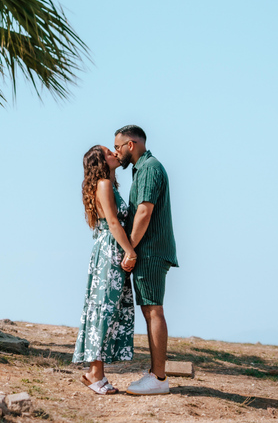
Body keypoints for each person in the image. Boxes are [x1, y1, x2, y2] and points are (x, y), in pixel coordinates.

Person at [113, 125, 178, 396]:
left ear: (131, 144)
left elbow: (144, 212)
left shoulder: (149, 168)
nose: (116, 153)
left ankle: (159, 378)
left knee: (153, 310)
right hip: (150, 250)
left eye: (118, 147)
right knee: (150, 309)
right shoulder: (144, 168)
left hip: (150, 251)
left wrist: (130, 249)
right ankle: (156, 374)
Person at [72, 145, 138, 395]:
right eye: (109, 153)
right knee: (104, 310)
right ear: (101, 161)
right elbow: (112, 222)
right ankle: (94, 374)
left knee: (107, 310)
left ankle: (96, 373)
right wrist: (129, 251)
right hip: (110, 250)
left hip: (110, 249)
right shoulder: (104, 185)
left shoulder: (107, 185)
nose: (115, 154)